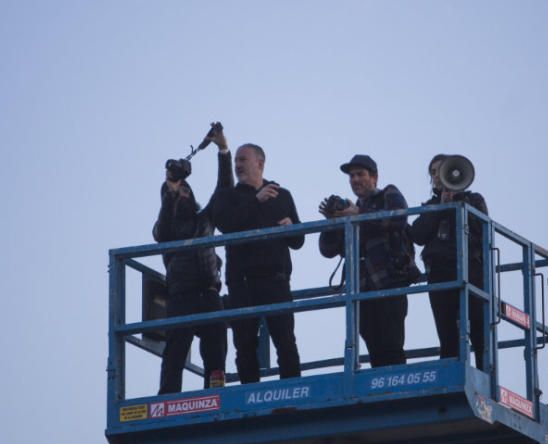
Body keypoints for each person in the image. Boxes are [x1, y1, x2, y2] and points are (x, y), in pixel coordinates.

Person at [209, 143, 303, 384]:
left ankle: (293, 393)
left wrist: (292, 229)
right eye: (236, 161)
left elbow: (298, 241)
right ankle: (249, 396)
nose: (237, 165)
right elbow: (227, 224)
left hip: (277, 280)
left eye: (242, 160)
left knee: (286, 342)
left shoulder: (282, 195)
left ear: (259, 164)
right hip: (243, 284)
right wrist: (255, 201)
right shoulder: (227, 196)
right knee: (245, 346)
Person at [152, 127, 233, 395]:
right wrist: (170, 191)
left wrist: (222, 150)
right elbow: (161, 234)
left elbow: (224, 192)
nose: (182, 192)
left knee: (216, 352)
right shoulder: (167, 226)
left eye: (186, 189)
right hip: (181, 296)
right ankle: (168, 400)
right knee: (175, 352)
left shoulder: (204, 219)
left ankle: (215, 396)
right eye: (178, 192)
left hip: (209, 293)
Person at [319, 154, 417, 368]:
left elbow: (398, 217)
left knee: (392, 345)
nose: (355, 179)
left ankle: (395, 388)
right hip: (361, 289)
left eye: (360, 174)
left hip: (390, 283)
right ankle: (381, 392)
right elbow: (327, 250)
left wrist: (359, 214)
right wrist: (331, 222)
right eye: (351, 176)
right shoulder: (349, 211)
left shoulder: (388, 193)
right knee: (374, 348)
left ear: (374, 177)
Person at [411, 154, 490, 368]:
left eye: (441, 170)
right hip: (439, 273)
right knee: (447, 332)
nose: (438, 176)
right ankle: (450, 370)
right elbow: (417, 235)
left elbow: (483, 231)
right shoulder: (430, 206)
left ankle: (485, 375)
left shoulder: (473, 200)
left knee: (479, 330)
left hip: (470, 270)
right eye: (434, 173)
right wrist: (440, 209)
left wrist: (458, 204)